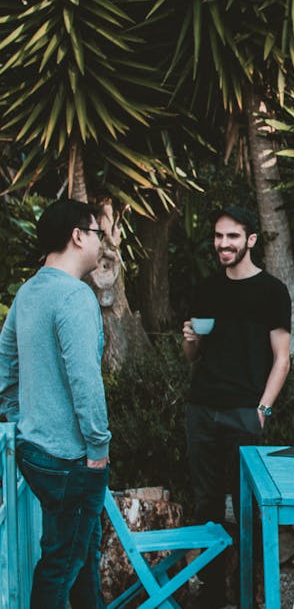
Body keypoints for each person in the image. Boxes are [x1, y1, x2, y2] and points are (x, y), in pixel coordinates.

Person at [0, 198, 111, 608]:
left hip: (34, 451)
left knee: (80, 559)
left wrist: (20, 414)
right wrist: (98, 449)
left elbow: (4, 363)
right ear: (78, 236)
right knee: (60, 566)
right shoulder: (73, 297)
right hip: (70, 460)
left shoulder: (29, 292)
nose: (101, 244)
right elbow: (85, 381)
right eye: (98, 233)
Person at [181, 205, 291, 607]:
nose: (223, 244)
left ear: (251, 240)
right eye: (218, 236)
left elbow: (282, 358)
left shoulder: (272, 291)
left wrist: (262, 409)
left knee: (247, 507)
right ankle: (212, 594)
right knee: (206, 503)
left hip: (246, 411)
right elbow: (193, 355)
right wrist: (190, 338)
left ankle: (249, 593)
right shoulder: (207, 287)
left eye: (231, 236)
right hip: (202, 408)